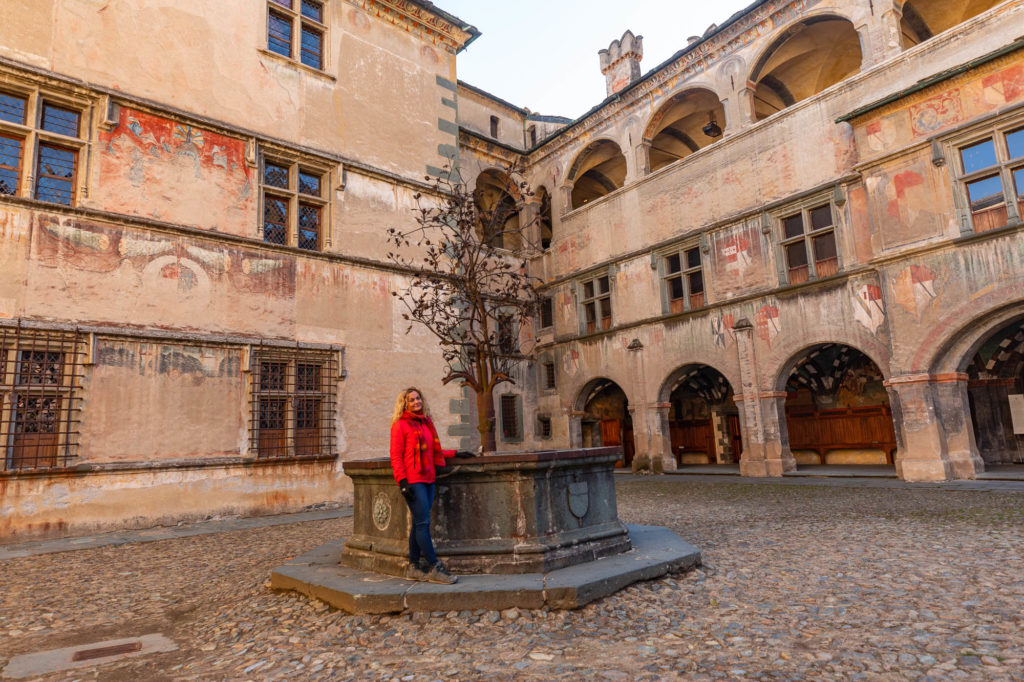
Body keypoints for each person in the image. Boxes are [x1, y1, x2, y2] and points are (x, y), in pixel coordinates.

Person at [389, 387, 474, 584]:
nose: (416, 402)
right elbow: (396, 457)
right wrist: (402, 482)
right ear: (404, 404)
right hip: (413, 480)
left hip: (428, 478)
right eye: (411, 400)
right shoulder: (400, 426)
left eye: (418, 398)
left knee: (419, 523)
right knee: (423, 524)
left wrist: (455, 453)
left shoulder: (426, 423)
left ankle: (413, 566)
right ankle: (434, 567)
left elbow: (434, 451)